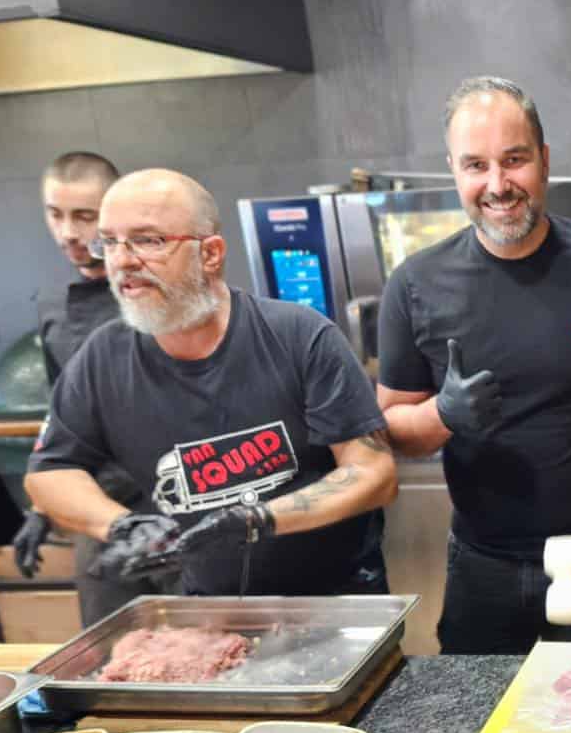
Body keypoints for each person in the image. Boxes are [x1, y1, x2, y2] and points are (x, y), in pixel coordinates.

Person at [377, 75, 571, 652]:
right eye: (476, 166)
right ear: (454, 171)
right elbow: (393, 428)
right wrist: (442, 415)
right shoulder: (413, 285)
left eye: (514, 160)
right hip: (481, 562)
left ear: (544, 161)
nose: (497, 185)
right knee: (479, 708)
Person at [24, 169, 398, 597]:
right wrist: (122, 525)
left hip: (339, 601)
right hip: (207, 610)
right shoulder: (101, 358)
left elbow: (374, 473)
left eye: (149, 241)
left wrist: (259, 519)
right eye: (109, 242)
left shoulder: (299, 335)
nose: (122, 260)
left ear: (211, 254)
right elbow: (50, 471)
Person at [11, 152, 162, 623]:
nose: (68, 233)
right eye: (55, 215)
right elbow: (63, 417)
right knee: (113, 643)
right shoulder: (53, 307)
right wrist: (43, 505)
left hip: (175, 502)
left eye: (83, 216)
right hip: (99, 514)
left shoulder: (164, 296)